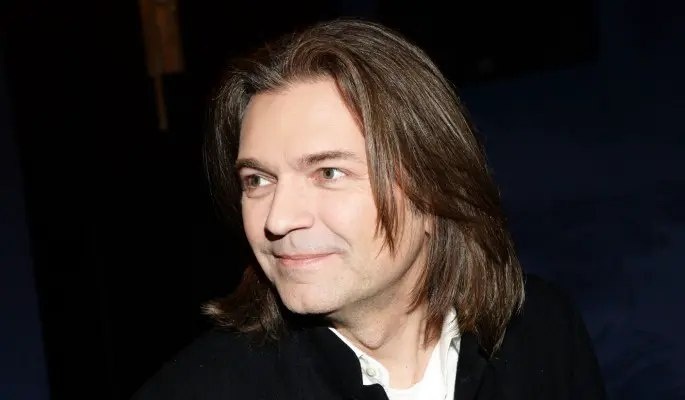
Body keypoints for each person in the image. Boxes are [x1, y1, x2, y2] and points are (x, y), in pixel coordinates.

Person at [132, 18, 606, 400]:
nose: (277, 220)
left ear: (435, 185)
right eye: (257, 180)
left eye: (328, 173)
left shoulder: (542, 329)